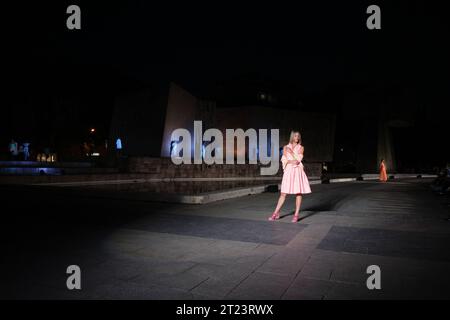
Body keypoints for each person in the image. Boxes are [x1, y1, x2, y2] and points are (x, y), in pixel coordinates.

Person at [268, 131, 312, 223]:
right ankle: (276, 213)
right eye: (295, 136)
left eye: (298, 136)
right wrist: (289, 161)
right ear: (292, 137)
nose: (297, 137)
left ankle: (296, 215)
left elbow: (298, 160)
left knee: (298, 192)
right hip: (288, 171)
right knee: (283, 193)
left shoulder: (301, 148)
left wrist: (291, 153)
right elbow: (284, 160)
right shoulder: (285, 147)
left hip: (297, 171)